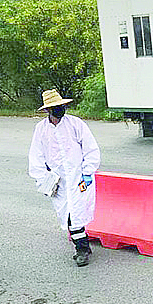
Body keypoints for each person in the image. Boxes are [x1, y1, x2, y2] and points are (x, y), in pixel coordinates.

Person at [28, 89, 101, 266]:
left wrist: (87, 171)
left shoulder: (76, 124)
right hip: (58, 182)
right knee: (68, 214)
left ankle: (82, 249)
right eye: (55, 107)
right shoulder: (41, 130)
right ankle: (83, 245)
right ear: (47, 110)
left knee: (75, 214)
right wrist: (43, 179)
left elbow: (90, 148)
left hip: (78, 178)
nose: (59, 109)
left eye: (60, 106)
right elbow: (36, 156)